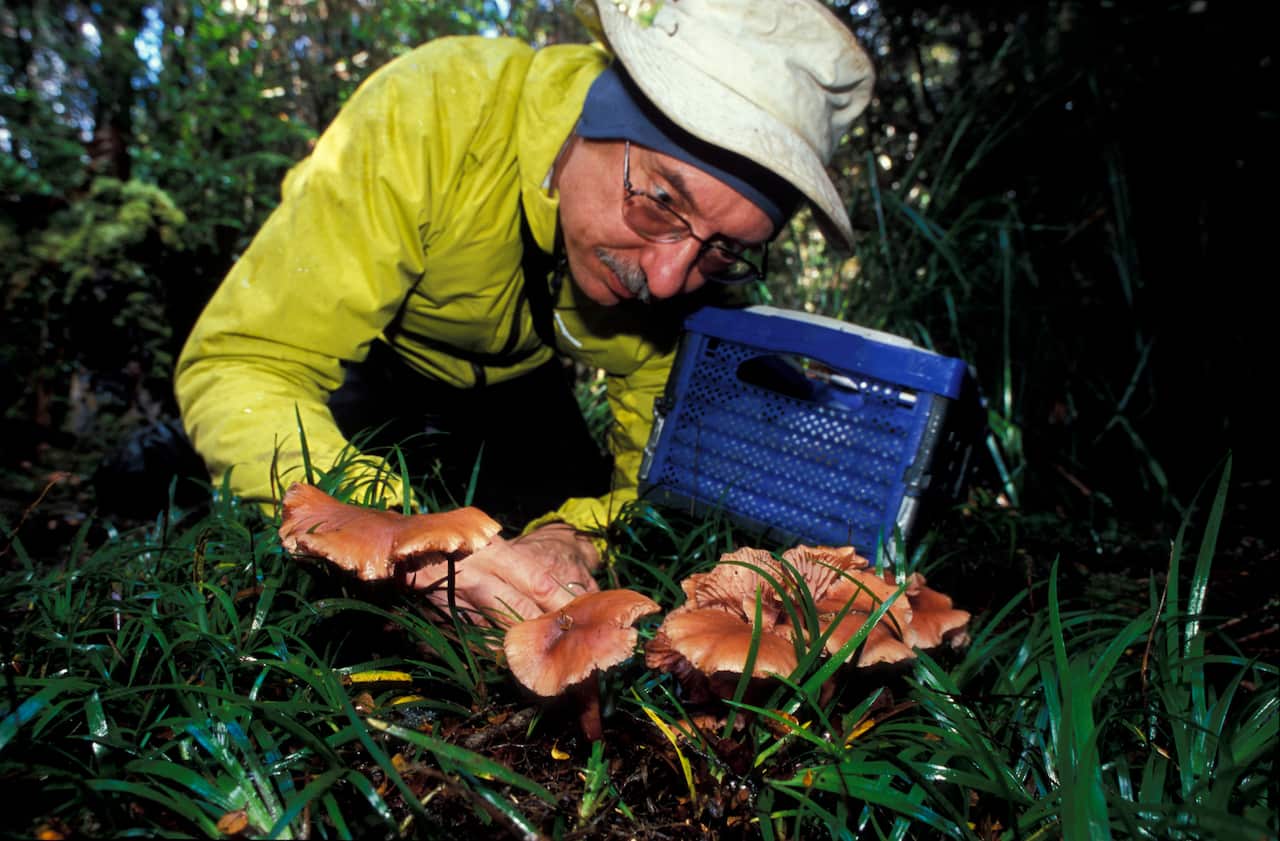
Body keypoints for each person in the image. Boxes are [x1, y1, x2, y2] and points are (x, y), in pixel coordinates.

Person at [173, 0, 874, 625]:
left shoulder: (679, 281)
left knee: (549, 588)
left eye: (722, 249)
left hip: (519, 390)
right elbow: (242, 362)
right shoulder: (432, 113)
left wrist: (579, 535)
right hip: (377, 365)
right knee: (326, 599)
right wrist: (403, 536)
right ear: (598, 116)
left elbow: (650, 476)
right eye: (660, 202)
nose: (666, 281)